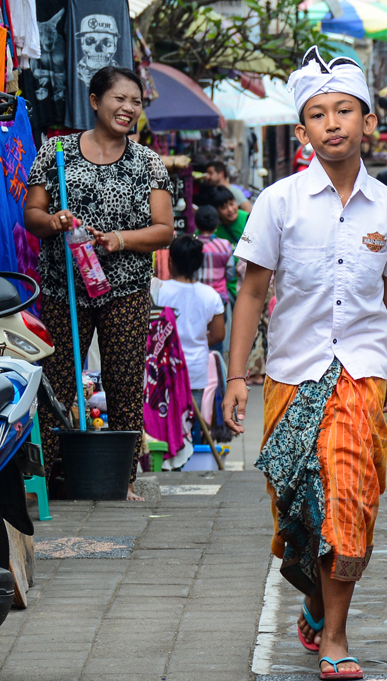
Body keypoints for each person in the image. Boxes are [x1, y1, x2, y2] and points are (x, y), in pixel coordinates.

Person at [223, 46, 387, 681]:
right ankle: (314, 598)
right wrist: (236, 376)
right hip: (290, 373)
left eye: (345, 111)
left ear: (368, 121)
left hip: (362, 373)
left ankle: (336, 636)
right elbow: (252, 292)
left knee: (348, 495)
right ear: (303, 127)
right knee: (295, 509)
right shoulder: (279, 203)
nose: (333, 123)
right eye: (318, 113)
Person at [24, 65, 174, 501]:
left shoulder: (147, 162)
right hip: (63, 288)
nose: (128, 108)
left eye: (136, 102)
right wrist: (54, 221)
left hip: (125, 290)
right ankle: (45, 478)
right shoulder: (56, 152)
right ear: (94, 101)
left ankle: (121, 478)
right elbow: (31, 215)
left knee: (124, 381)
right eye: (119, 98)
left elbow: (164, 230)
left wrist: (121, 240)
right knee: (57, 382)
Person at [154, 235, 226, 467]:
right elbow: (217, 335)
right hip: (195, 369)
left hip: (163, 370)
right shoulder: (210, 295)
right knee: (192, 422)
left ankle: (165, 461)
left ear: (171, 262)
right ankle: (189, 464)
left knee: (163, 418)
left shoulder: (158, 290)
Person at [194, 204, 234, 305]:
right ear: (217, 224)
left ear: (196, 224)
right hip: (219, 298)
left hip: (196, 298)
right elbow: (230, 275)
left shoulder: (192, 245)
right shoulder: (225, 245)